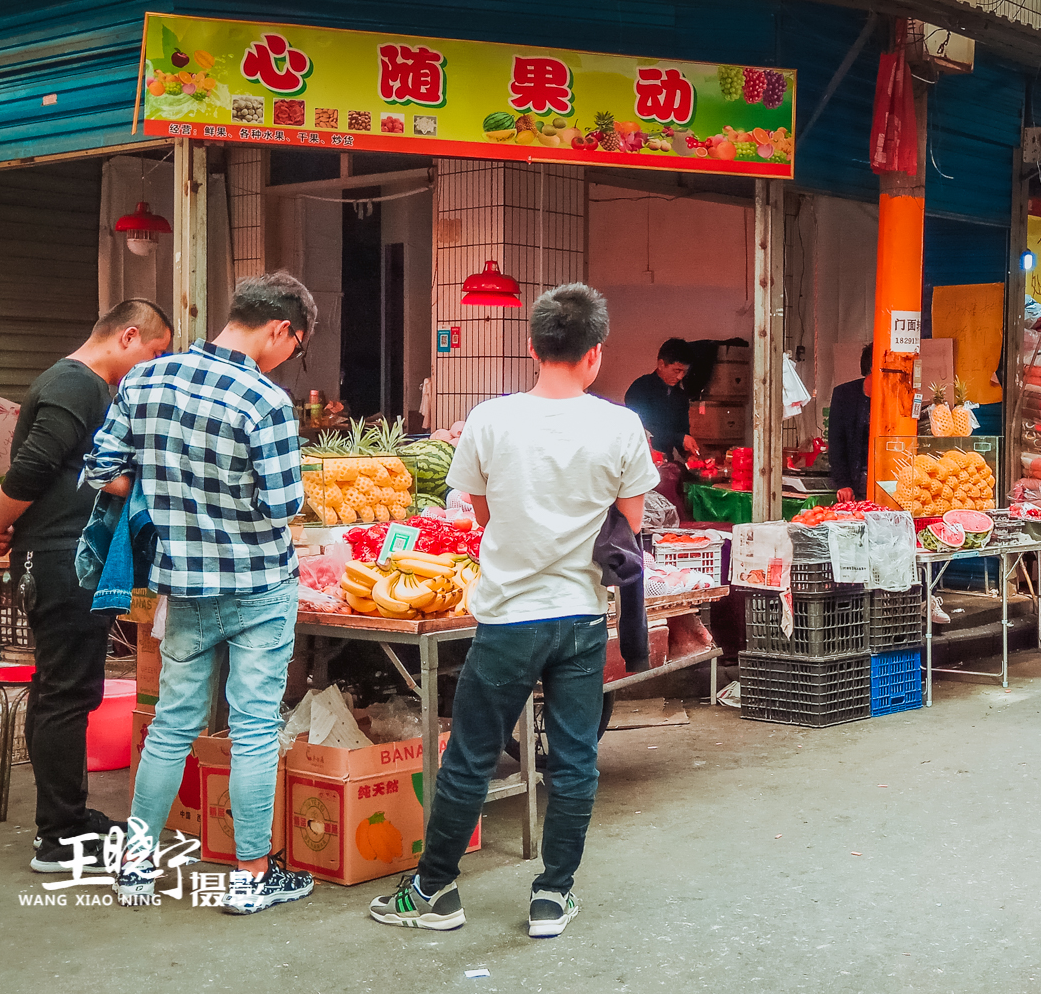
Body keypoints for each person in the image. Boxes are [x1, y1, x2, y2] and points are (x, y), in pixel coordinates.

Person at [371, 283, 657, 939]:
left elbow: (479, 511)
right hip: (581, 617)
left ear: (533, 347)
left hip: (505, 615)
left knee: (470, 753)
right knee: (575, 758)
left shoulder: (491, 419)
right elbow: (629, 528)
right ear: (596, 355)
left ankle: (435, 889)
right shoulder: (620, 425)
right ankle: (553, 895)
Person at [85, 273, 315, 913]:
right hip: (260, 587)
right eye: (293, 346)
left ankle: (134, 872)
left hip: (182, 587)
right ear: (281, 329)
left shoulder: (144, 379)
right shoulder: (265, 401)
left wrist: (170, 498)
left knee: (170, 727)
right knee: (253, 730)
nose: (287, 358)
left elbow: (103, 471)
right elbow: (285, 504)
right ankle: (248, 880)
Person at [0, 299, 171, 872]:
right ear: (128, 336)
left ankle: (68, 821)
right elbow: (31, 468)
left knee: (67, 688)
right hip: (62, 560)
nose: (149, 367)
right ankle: (59, 837)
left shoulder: (86, 389)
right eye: (153, 353)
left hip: (62, 553)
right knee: (65, 692)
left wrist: (3, 524)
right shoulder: (75, 383)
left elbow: (66, 475)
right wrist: (3, 528)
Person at [623, 337, 697, 462]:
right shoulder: (640, 388)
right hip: (640, 461)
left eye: (684, 372)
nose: (680, 377)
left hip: (666, 462)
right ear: (661, 364)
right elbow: (642, 427)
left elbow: (682, 430)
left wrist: (689, 454)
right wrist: (680, 438)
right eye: (677, 370)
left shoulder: (680, 396)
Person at [827, 343, 874, 498]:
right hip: (856, 482)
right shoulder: (844, 395)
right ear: (873, 368)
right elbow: (836, 442)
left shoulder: (896, 396)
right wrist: (843, 483)